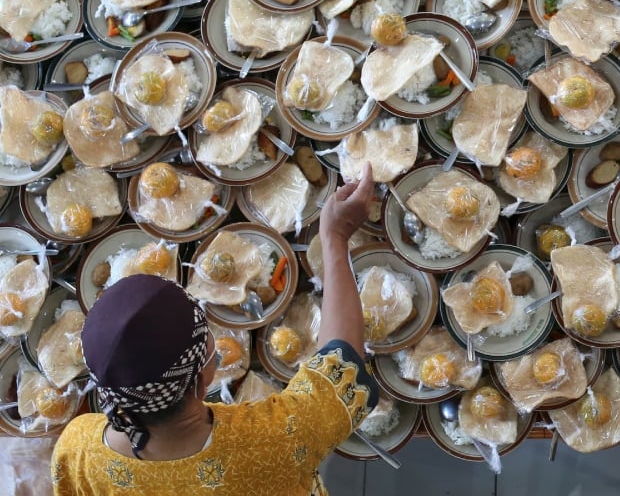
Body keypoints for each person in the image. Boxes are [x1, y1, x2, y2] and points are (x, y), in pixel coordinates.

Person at [51, 164, 380, 495]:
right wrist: (335, 238)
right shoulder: (274, 439)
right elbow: (340, 368)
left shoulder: (79, 449)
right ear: (205, 371)